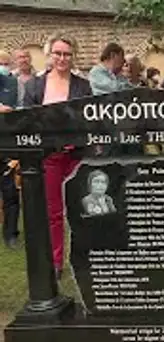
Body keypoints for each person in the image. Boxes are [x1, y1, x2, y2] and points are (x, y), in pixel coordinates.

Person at [23, 33, 92, 278]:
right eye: (58, 53)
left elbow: (89, 120)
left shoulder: (83, 86)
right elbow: (27, 121)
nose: (62, 58)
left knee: (80, 208)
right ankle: (55, 262)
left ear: (73, 57)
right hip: (49, 157)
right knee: (53, 212)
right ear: (50, 55)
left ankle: (84, 259)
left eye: (67, 54)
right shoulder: (34, 86)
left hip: (76, 156)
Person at [0, 50, 20, 249]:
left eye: (6, 63)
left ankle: (11, 233)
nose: (4, 67)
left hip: (7, 143)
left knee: (10, 192)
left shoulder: (13, 83)